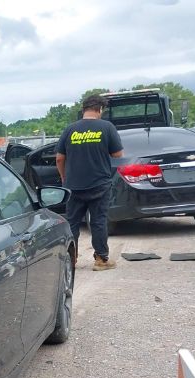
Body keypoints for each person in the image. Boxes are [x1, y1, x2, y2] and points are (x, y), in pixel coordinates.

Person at [56, 94, 124, 271]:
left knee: (72, 223)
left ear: (84, 109)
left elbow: (59, 159)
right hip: (99, 185)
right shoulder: (106, 127)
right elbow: (118, 154)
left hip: (73, 186)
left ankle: (71, 260)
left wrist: (64, 178)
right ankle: (101, 259)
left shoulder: (70, 129)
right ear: (99, 109)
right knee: (98, 221)